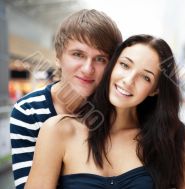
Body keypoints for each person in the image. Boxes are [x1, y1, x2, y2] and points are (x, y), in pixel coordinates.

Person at [25, 34, 185, 189]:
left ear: (155, 90)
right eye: (125, 65)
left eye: (145, 77)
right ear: (112, 66)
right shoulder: (59, 130)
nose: (128, 80)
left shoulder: (172, 138)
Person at [9, 9, 122, 189]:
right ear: (58, 57)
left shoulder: (119, 109)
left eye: (100, 59)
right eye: (78, 54)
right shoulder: (28, 110)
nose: (87, 69)